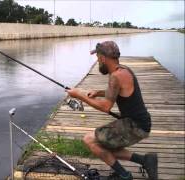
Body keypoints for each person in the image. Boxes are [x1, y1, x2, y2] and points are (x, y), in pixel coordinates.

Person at [66, 41, 158, 180]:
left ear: (103, 58)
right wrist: (98, 92)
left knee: (90, 140)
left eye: (97, 57)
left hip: (135, 126)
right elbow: (117, 91)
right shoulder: (123, 70)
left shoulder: (115, 76)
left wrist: (79, 95)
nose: (97, 61)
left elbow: (105, 107)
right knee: (104, 143)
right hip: (138, 121)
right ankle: (145, 160)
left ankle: (124, 175)